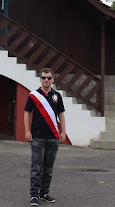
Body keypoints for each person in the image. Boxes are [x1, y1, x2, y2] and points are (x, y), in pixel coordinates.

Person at [24, 68, 66, 206]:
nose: (46, 80)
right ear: (40, 79)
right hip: (38, 137)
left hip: (53, 137)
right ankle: (34, 195)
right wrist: (27, 131)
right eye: (43, 77)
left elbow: (61, 114)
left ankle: (44, 193)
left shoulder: (57, 96)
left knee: (48, 168)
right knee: (36, 167)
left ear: (53, 79)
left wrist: (63, 131)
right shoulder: (33, 95)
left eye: (48, 78)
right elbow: (26, 112)